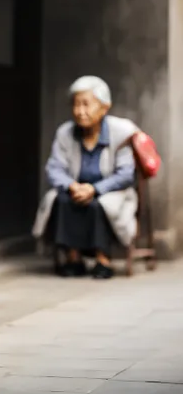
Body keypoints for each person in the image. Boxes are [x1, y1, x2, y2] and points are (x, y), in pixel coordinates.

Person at [33, 76, 138, 280]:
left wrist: (95, 189)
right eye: (76, 104)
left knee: (100, 204)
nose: (80, 111)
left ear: (104, 107)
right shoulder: (65, 133)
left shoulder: (121, 132)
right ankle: (74, 258)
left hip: (109, 190)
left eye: (86, 104)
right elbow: (54, 168)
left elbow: (126, 173)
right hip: (76, 187)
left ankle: (103, 259)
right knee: (63, 199)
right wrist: (71, 185)